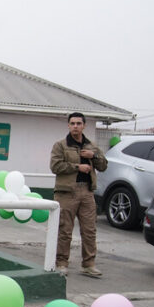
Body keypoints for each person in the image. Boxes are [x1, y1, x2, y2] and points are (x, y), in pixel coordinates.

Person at [50, 112, 108, 278]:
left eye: (78, 123)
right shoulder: (60, 145)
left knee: (89, 229)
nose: (75, 126)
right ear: (68, 125)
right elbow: (55, 166)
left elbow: (103, 166)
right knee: (64, 229)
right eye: (72, 123)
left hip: (87, 191)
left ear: (84, 126)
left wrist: (94, 155)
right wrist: (77, 167)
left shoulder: (91, 146)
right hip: (66, 192)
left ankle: (88, 264)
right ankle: (61, 263)